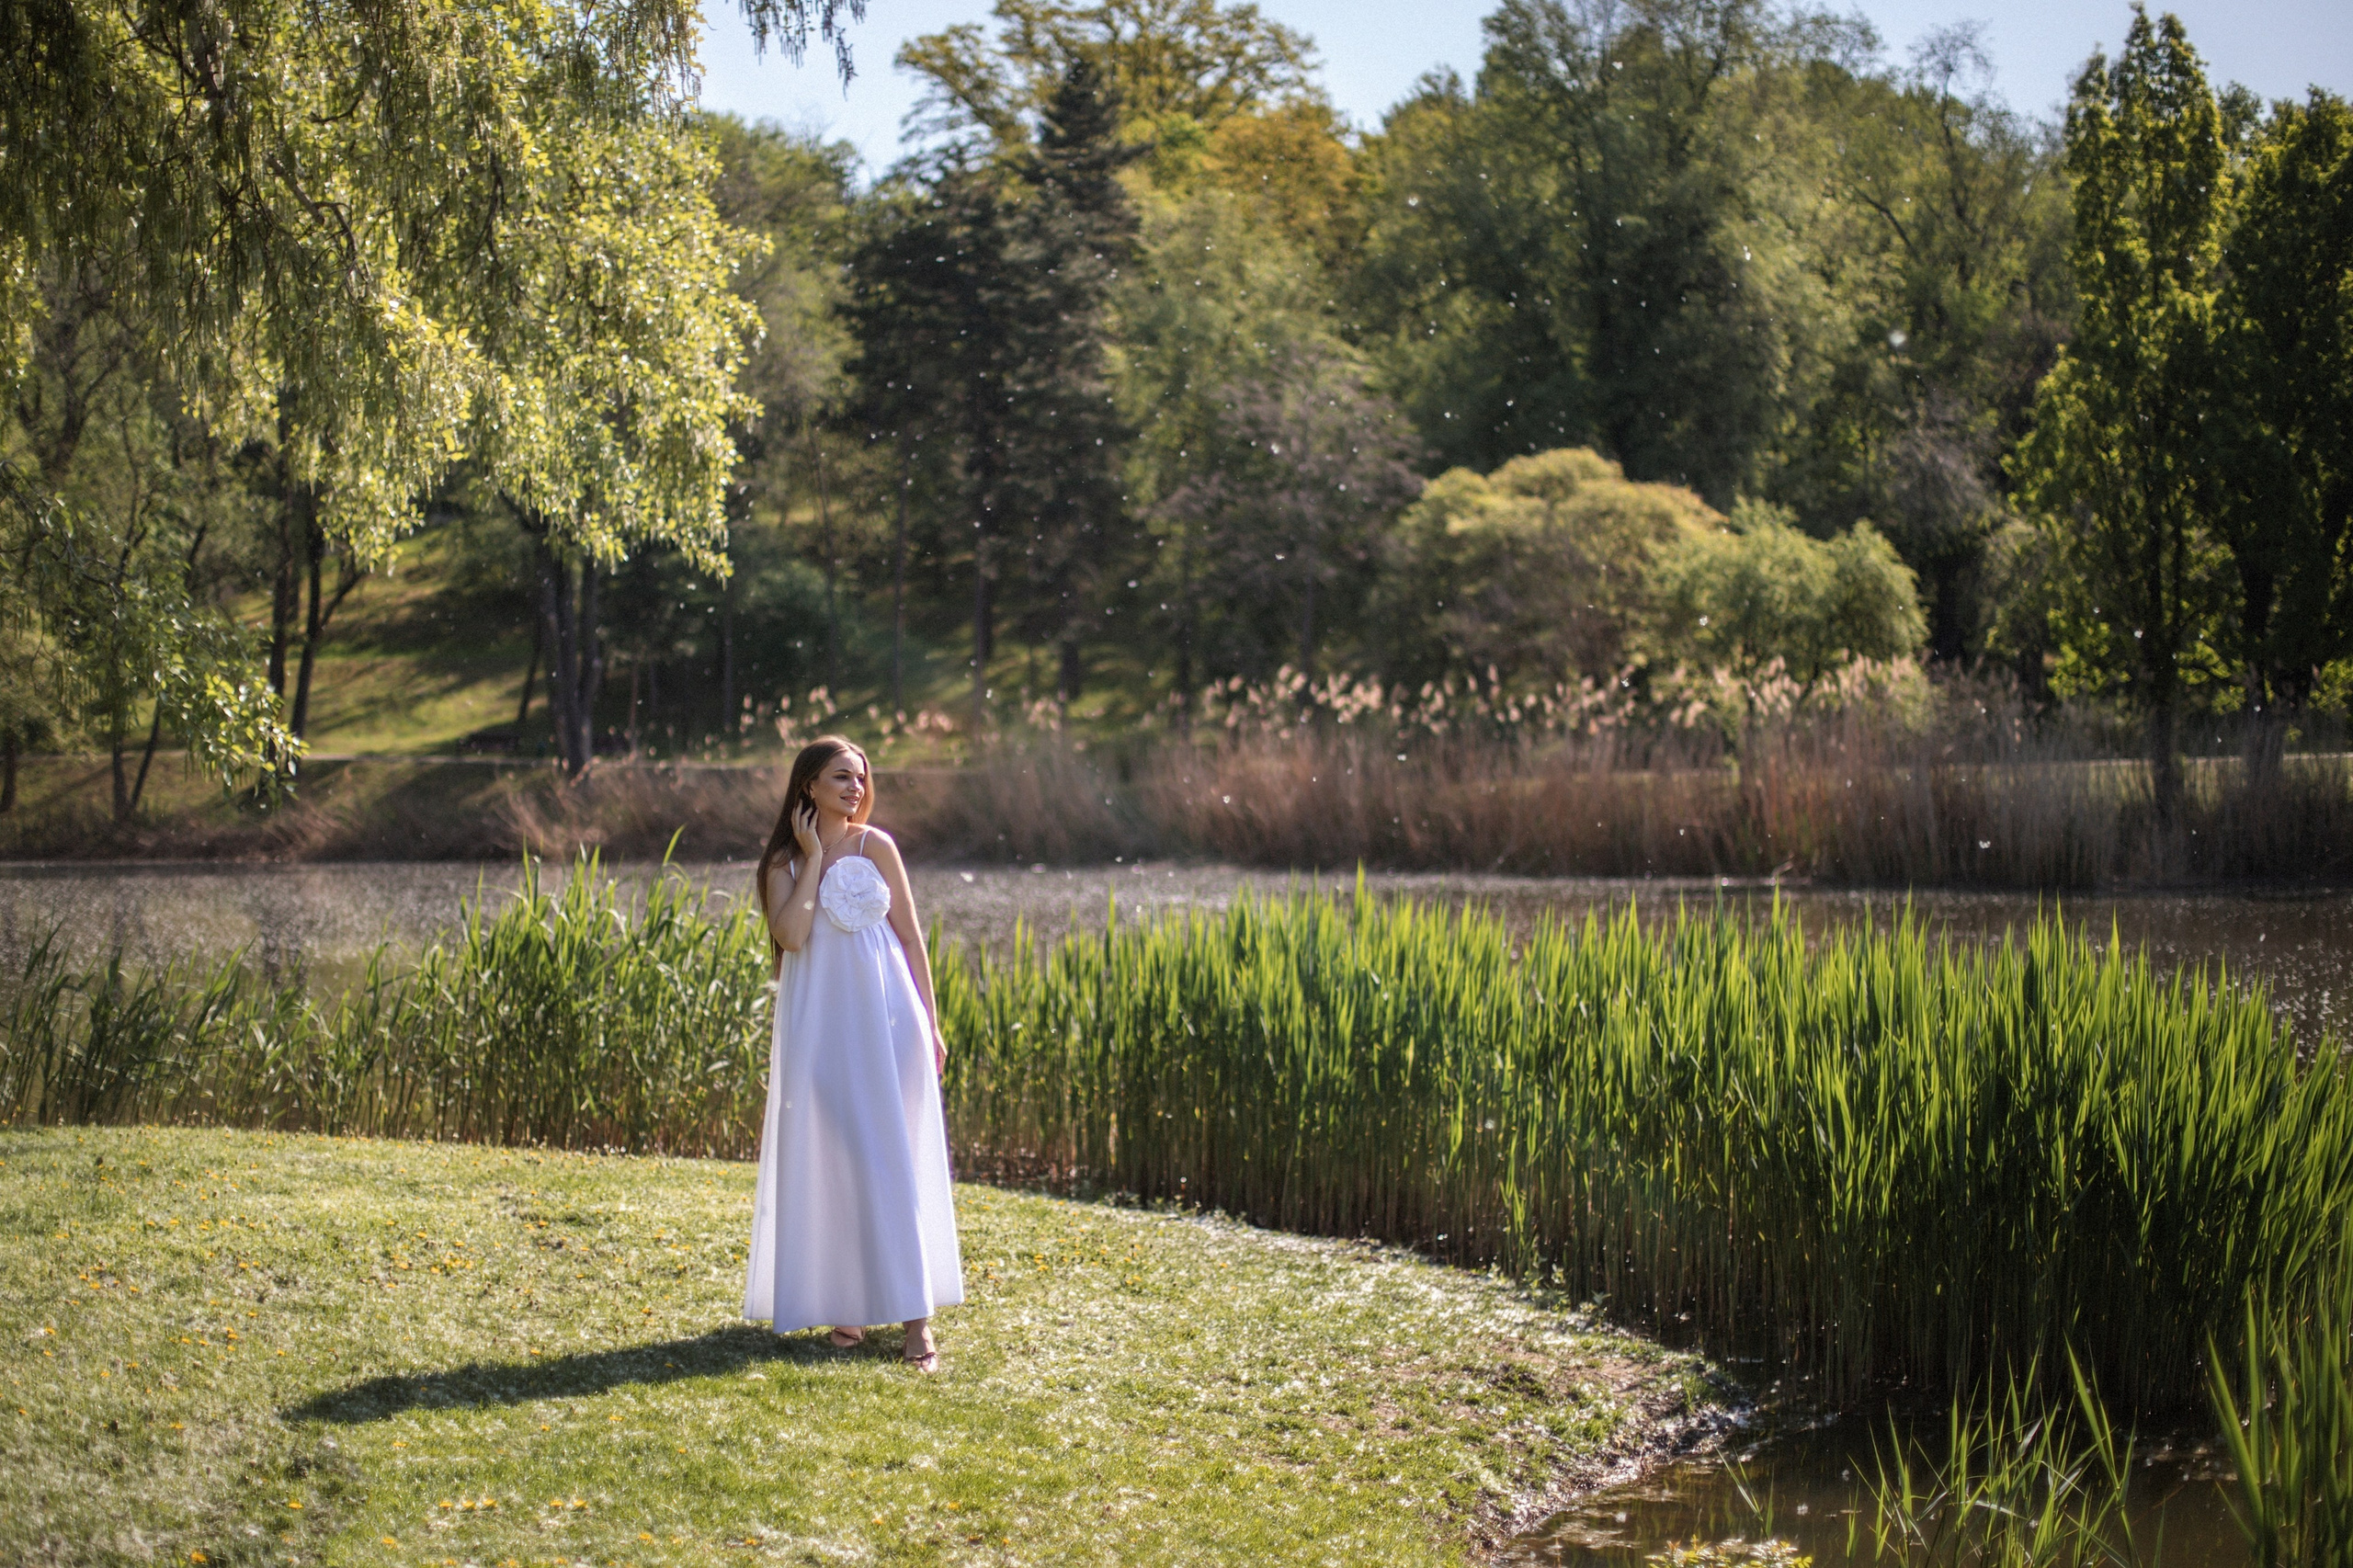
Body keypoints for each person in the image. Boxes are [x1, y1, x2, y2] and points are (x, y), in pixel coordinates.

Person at [742, 735, 963, 1371]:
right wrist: (813, 857)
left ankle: (917, 1324)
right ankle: (849, 1306)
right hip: (822, 1027)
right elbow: (791, 935)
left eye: (861, 777)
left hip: (890, 1020)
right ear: (808, 785)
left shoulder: (877, 846)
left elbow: (912, 940)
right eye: (842, 777)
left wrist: (931, 1023)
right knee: (836, 1158)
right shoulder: (784, 862)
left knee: (893, 1158)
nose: (856, 788)